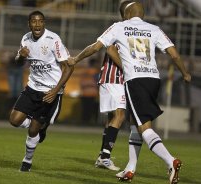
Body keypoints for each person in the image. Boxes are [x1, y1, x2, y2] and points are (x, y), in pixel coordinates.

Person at [67, 2, 191, 184]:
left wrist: (76, 59)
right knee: (135, 123)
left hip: (136, 80)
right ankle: (130, 169)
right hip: (153, 80)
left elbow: (96, 47)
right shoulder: (153, 29)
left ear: (127, 13)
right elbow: (174, 54)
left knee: (145, 128)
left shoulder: (119, 27)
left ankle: (170, 161)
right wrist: (185, 73)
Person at [8, 10, 73, 172]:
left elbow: (68, 67)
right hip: (32, 88)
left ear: (44, 23)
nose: (37, 24)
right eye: (34, 21)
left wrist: (55, 90)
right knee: (14, 120)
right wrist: (21, 57)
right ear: (29, 24)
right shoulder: (25, 38)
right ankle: (39, 129)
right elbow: (18, 63)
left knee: (32, 132)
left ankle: (27, 162)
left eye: (40, 21)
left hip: (49, 93)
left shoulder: (53, 39)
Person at [94, 0, 138, 172]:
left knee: (112, 118)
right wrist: (127, 69)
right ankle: (105, 156)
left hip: (111, 78)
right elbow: (110, 50)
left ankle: (102, 155)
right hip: (114, 78)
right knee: (120, 115)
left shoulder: (127, 30)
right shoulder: (121, 29)